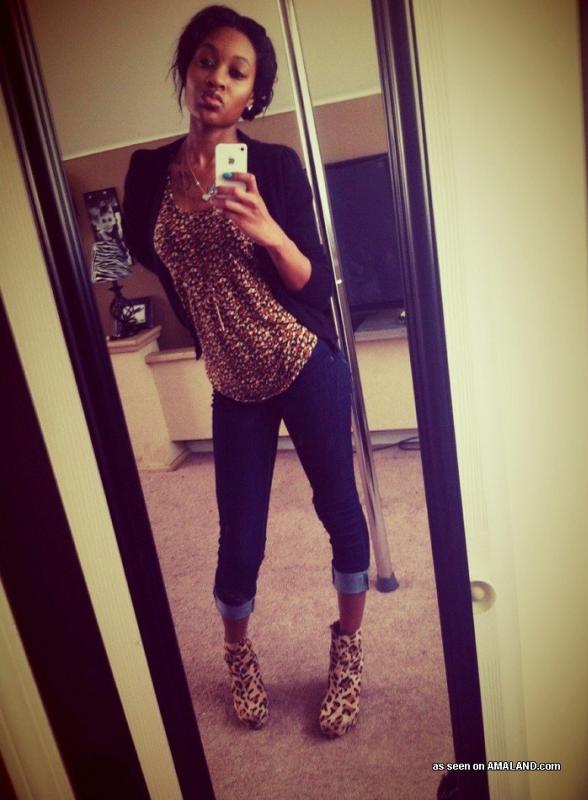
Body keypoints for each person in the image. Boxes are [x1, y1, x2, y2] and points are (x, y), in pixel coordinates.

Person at [122, 4, 370, 738]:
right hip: (232, 383)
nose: (217, 80)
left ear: (252, 96)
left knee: (338, 510)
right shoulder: (147, 174)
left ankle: (348, 649)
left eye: (237, 73)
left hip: (302, 360)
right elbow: (155, 260)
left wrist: (267, 230)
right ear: (187, 69)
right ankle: (238, 654)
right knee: (240, 540)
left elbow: (314, 284)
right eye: (207, 61)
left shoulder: (275, 168)